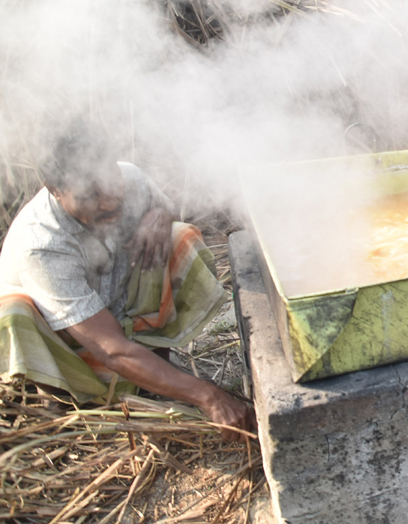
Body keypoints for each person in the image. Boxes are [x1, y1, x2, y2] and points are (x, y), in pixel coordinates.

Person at [0, 125, 254, 441]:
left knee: (178, 239)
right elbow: (111, 349)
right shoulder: (41, 244)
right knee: (13, 311)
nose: (109, 202)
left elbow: (164, 208)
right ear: (55, 190)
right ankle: (70, 399)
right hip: (71, 339)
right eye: (91, 194)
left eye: (110, 183)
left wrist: (160, 215)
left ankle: (153, 367)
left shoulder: (130, 179)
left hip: (113, 307)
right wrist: (208, 395)